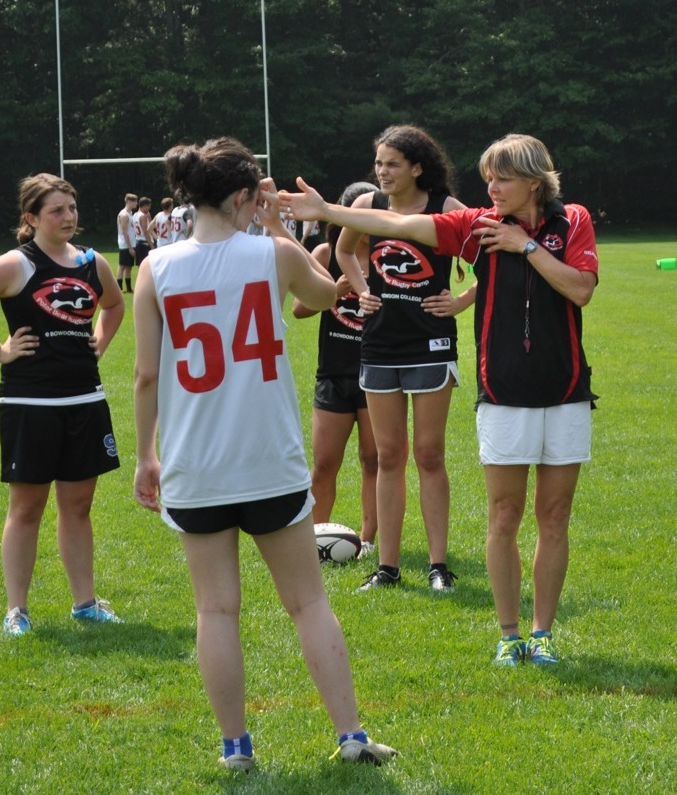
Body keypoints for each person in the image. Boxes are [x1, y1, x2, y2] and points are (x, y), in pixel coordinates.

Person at [282, 133, 599, 667]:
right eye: (488, 178)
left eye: (501, 178)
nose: (491, 188)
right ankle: (509, 633)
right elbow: (399, 224)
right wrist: (328, 210)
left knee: (555, 514)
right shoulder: (475, 227)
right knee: (504, 515)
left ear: (533, 181)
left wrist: (524, 246)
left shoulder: (571, 221)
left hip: (566, 390)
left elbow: (581, 288)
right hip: (502, 392)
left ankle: (543, 633)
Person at [132, 137, 397, 770]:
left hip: (195, 463)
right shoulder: (274, 253)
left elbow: (146, 376)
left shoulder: (155, 268)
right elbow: (333, 295)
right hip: (267, 460)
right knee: (309, 603)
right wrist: (283, 228)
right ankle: (351, 736)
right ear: (246, 196)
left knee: (215, 609)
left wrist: (147, 455)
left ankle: (236, 748)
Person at [0, 173, 125, 636]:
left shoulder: (92, 262)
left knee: (78, 507)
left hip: (85, 397)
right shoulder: (15, 264)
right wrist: (0, 352)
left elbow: (116, 305)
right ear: (31, 218)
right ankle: (16, 611)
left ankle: (85, 603)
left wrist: (99, 340)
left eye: (72, 207)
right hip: (30, 400)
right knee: (27, 508)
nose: (68, 217)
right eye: (57, 210)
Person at [332, 125, 468, 594]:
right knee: (389, 456)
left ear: (417, 167)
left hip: (430, 342)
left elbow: (492, 257)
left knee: (429, 454)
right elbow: (344, 249)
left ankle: (437, 566)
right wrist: (364, 289)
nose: (382, 172)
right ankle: (387, 568)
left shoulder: (445, 209)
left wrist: (462, 300)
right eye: (378, 164)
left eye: (392, 164)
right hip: (380, 345)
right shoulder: (367, 206)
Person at [292, 181, 380, 557]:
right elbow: (299, 309)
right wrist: (338, 292)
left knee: (374, 460)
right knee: (324, 463)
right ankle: (314, 540)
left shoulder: (386, 254)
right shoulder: (327, 253)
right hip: (333, 373)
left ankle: (371, 539)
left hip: (378, 371)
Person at [116, 192, 138, 292]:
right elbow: (124, 232)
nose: (136, 203)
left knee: (129, 266)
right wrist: (129, 247)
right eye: (135, 202)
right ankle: (119, 288)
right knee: (122, 266)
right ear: (129, 202)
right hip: (125, 244)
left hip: (131, 243)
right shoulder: (124, 214)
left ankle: (128, 288)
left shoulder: (130, 213)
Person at [132, 196, 155, 267]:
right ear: (145, 206)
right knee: (148, 266)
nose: (149, 208)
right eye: (148, 206)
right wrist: (152, 246)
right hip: (145, 243)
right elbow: (145, 232)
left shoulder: (135, 215)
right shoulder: (143, 216)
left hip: (138, 242)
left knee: (141, 266)